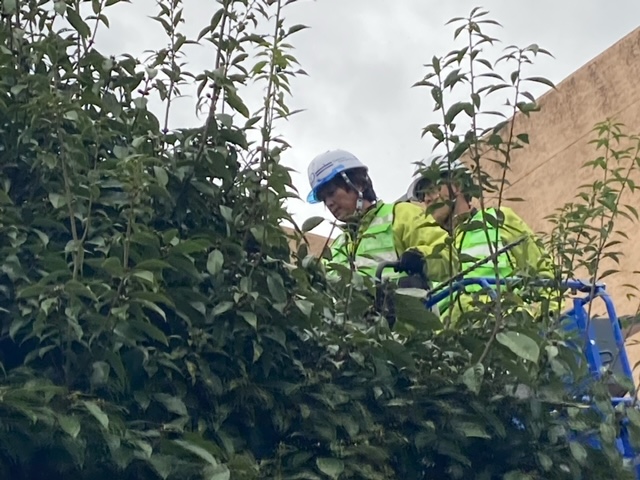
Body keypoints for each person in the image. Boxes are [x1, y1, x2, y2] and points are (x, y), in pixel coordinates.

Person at [405, 156, 560, 322]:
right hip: (458, 336)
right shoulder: (436, 249)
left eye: (432, 189)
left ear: (457, 185)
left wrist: (544, 318)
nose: (427, 199)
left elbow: (543, 273)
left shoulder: (497, 220)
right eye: (422, 195)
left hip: (506, 328)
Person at [306, 149, 454, 295]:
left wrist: (422, 258)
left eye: (331, 193)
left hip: (407, 311)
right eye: (324, 198)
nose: (329, 203)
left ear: (358, 184)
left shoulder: (401, 215)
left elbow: (450, 258)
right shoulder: (337, 248)